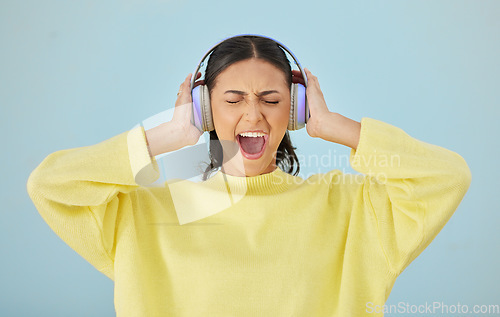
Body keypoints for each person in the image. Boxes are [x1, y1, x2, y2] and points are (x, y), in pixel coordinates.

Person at [27, 35, 471, 316]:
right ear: (204, 111)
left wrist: (333, 125)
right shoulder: (149, 212)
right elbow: (50, 186)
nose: (253, 114)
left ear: (296, 111)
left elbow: (446, 176)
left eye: (272, 99)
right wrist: (169, 134)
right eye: (233, 99)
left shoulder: (351, 209)